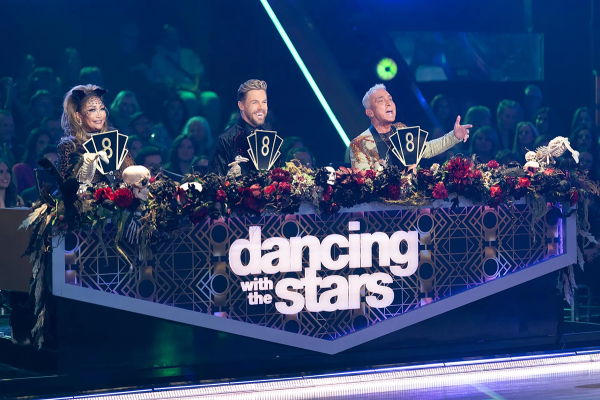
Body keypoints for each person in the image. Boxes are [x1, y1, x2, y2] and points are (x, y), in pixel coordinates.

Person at [349, 84, 470, 170]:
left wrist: (454, 136)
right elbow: (363, 183)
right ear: (370, 112)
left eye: (390, 99)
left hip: (411, 202)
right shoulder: (360, 144)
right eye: (381, 101)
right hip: (380, 204)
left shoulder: (401, 129)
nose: (388, 103)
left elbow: (428, 149)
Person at [57, 85, 134, 182]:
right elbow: (66, 186)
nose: (99, 115)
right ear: (78, 116)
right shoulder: (70, 146)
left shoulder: (115, 140)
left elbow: (134, 173)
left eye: (101, 109)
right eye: (92, 110)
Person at [209, 79, 280, 175]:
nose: (261, 107)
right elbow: (213, 183)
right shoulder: (224, 141)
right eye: (255, 102)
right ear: (241, 105)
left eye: (264, 102)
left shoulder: (271, 139)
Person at [12, 128, 51, 194]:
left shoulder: (57, 169)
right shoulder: (20, 169)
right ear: (33, 145)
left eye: (48, 143)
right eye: (41, 142)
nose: (46, 146)